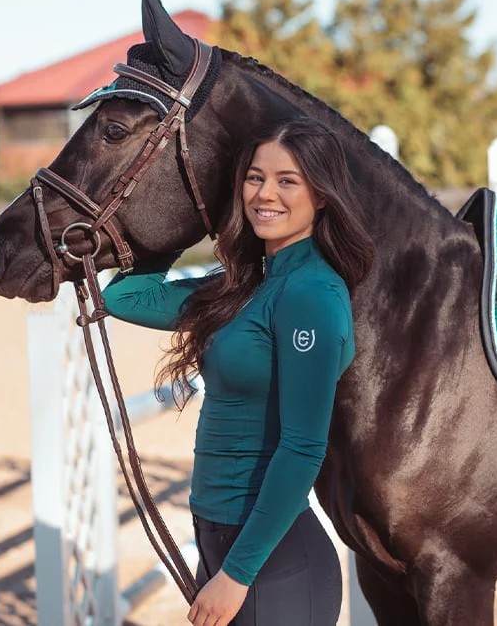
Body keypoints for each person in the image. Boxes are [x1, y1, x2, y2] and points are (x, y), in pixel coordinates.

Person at [102, 116, 374, 626]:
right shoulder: (242, 287)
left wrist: (236, 576)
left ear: (322, 195)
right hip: (221, 539)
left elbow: (303, 446)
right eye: (254, 177)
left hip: (271, 564)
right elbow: (124, 296)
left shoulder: (311, 295)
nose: (265, 193)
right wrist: (186, 218)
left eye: (287, 180)